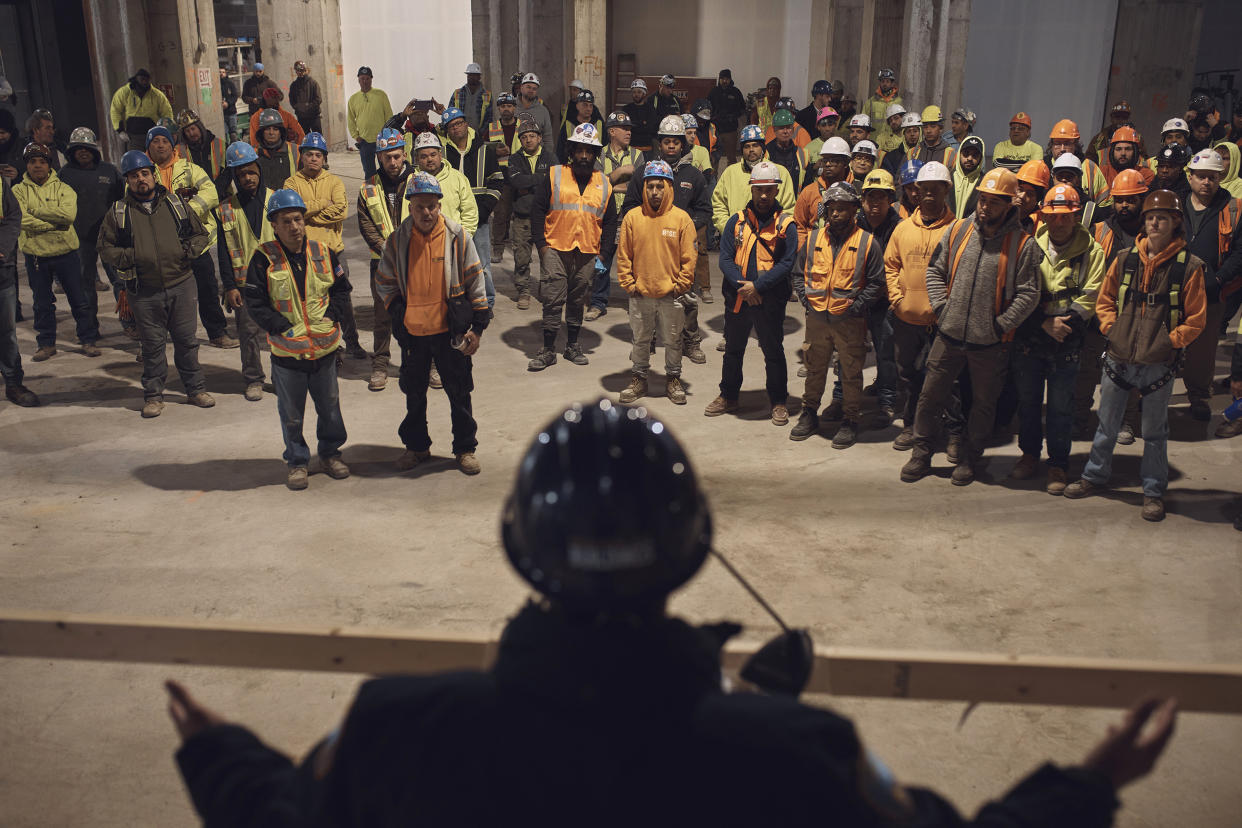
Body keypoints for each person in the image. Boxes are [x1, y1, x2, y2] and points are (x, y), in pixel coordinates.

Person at [165, 396, 1180, 827]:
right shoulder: (800, 752)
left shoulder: (393, 727)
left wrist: (224, 755)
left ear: (523, 550)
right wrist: (1087, 786)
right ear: (692, 550)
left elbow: (291, 822)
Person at [1065, 190, 1207, 521]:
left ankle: (1154, 490)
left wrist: (1169, 343)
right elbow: (1104, 300)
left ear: (1176, 223)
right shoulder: (1126, 259)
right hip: (1118, 357)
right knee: (1107, 425)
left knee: (1155, 433)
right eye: (1151, 217)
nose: (1155, 222)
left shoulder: (1189, 267)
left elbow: (1196, 319)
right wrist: (1112, 330)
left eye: (1163, 217)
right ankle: (1094, 475)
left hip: (1158, 365)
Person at [900, 168, 1041, 486]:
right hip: (948, 336)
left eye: (993, 202)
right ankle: (921, 454)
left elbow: (1030, 294)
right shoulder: (958, 231)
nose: (985, 207)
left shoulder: (1023, 245)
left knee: (982, 405)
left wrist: (1000, 325)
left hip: (989, 344)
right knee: (929, 397)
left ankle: (969, 459)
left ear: (1008, 204)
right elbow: (935, 270)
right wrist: (941, 308)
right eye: (982, 199)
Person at [374, 172, 488, 475]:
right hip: (413, 335)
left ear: (440, 205)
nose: (426, 212)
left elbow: (476, 282)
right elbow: (384, 282)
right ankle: (417, 447)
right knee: (414, 395)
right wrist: (398, 312)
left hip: (450, 335)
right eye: (420, 206)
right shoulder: (397, 240)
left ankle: (465, 449)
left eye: (432, 206)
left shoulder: (457, 236)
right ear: (410, 206)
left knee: (459, 393)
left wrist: (476, 328)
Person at [242, 189, 351, 489]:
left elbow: (342, 290)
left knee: (330, 409)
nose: (294, 227)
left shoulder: (323, 251)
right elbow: (255, 302)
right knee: (291, 414)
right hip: (288, 354)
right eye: (286, 221)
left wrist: (332, 316)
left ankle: (330, 455)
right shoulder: (263, 259)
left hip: (324, 350)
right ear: (274, 225)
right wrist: (280, 327)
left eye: (298, 219)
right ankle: (297, 461)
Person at [98, 150, 213, 418]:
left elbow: (200, 235)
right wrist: (132, 257)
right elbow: (105, 249)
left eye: (144, 173)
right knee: (152, 346)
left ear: (153, 174)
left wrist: (188, 252)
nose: (141, 179)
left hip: (182, 284)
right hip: (144, 290)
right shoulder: (119, 212)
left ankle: (195, 389)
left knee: (187, 342)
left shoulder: (175, 204)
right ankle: (153, 395)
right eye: (134, 175)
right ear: (128, 180)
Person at [1009, 184, 1106, 495]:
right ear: (1044, 216)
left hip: (1069, 338)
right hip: (1033, 338)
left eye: (1065, 216)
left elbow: (1092, 295)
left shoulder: (1092, 251)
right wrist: (1043, 323)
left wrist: (1065, 323)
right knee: (1029, 401)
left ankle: (1058, 464)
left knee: (1062, 406)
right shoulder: (1031, 248)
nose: (1059, 222)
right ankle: (1028, 454)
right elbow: (1020, 293)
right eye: (1053, 216)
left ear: (1076, 216)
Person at [790, 181, 883, 448]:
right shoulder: (814, 239)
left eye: (843, 209)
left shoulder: (867, 243)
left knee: (851, 372)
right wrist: (807, 302)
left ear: (854, 210)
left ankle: (850, 419)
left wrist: (856, 308)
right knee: (814, 368)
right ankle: (809, 413)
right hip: (817, 319)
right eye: (832, 208)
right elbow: (798, 274)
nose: (836, 214)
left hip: (850, 321)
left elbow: (877, 283)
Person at [706, 161, 798, 423]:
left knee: (773, 351)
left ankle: (779, 401)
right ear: (752, 189)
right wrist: (744, 287)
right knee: (734, 349)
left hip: (770, 300)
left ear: (777, 190)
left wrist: (758, 286)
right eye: (759, 190)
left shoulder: (786, 225)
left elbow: (787, 263)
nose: (764, 195)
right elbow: (724, 259)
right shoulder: (736, 222)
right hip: (737, 298)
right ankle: (728, 396)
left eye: (769, 189)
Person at [618, 116, 709, 364]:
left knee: (686, 297)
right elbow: (630, 206)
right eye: (667, 141)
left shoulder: (694, 175)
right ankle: (646, 342)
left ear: (683, 145)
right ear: (660, 144)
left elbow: (704, 210)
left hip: (679, 247)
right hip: (649, 246)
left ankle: (691, 341)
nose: (671, 146)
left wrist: (687, 229)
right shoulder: (645, 173)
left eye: (676, 142)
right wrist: (646, 226)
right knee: (648, 297)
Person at [528, 123, 618, 370]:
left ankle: (572, 346)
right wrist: (542, 246)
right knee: (553, 298)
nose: (584, 156)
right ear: (572, 151)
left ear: (595, 154)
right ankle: (548, 350)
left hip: (588, 251)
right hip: (556, 247)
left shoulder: (604, 183)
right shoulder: (555, 174)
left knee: (578, 299)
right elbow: (537, 210)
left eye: (589, 151)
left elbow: (610, 221)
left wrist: (605, 253)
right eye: (580, 150)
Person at [885, 163, 956, 450]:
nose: (928, 195)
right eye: (923, 189)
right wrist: (896, 299)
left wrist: (947, 308)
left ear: (945, 191)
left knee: (944, 379)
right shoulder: (903, 229)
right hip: (906, 319)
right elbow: (890, 266)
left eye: (935, 190)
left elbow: (959, 272)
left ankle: (949, 431)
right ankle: (911, 425)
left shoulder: (956, 230)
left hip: (941, 322)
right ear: (916, 192)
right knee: (908, 376)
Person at [146, 123, 236, 349]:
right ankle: (163, 340)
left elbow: (211, 192)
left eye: (165, 141)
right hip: (163, 245)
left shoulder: (188, 168)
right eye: (155, 141)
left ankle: (217, 333)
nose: (160, 145)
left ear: (173, 145)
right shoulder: (143, 174)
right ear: (148, 147)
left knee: (207, 289)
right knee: (166, 295)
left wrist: (186, 211)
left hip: (195, 242)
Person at [616, 160, 696, 405]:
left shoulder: (681, 219)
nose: (654, 192)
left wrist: (679, 286)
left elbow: (689, 257)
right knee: (640, 339)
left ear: (669, 187)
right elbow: (624, 255)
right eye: (650, 187)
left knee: (673, 339)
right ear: (644, 187)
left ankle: (673, 378)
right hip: (640, 294)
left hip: (671, 294)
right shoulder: (632, 217)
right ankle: (639, 377)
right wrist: (629, 285)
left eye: (659, 187)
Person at [13, 142, 100, 361]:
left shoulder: (63, 188)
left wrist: (37, 212)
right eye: (33, 162)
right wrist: (52, 223)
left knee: (78, 299)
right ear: (27, 165)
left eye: (42, 162)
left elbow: (68, 216)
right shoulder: (17, 191)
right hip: (35, 256)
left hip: (66, 253)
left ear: (49, 164)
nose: (37, 166)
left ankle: (88, 339)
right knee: (42, 303)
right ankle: (46, 343)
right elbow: (21, 219)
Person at [285, 131, 366, 360]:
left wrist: (308, 216)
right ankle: (328, 345)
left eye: (318, 155)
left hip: (333, 251)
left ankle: (352, 343)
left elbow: (340, 210)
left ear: (324, 158)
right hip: (306, 254)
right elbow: (294, 212)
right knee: (314, 303)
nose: (313, 158)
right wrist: (321, 204)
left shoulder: (334, 181)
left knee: (343, 300)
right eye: (309, 154)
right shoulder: (291, 183)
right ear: (301, 157)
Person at [1081, 168, 1148, 442]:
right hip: (1099, 313)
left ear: (1142, 200)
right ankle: (1077, 415)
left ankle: (1126, 421)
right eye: (1120, 199)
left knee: (1129, 373)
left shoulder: (1152, 233)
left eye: (1131, 200)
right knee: (1086, 371)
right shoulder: (1099, 230)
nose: (1125, 205)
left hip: (1135, 316)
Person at [1180, 151, 1242, 422]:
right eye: (1201, 176)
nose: (1206, 182)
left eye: (1212, 177)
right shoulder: (1176, 203)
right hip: (1173, 289)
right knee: (1164, 344)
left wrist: (1218, 279)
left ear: (1220, 179)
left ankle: (1198, 396)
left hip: (1211, 291)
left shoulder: (1234, 208)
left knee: (1203, 350)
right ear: (1190, 176)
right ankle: (1152, 394)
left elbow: (1240, 253)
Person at [357, 128, 415, 391]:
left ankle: (419, 364)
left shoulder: (419, 181)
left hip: (416, 260)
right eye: (387, 157)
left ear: (404, 154)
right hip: (381, 262)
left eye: (397, 156)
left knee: (418, 315)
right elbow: (366, 224)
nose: (393, 162)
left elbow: (429, 215)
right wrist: (385, 249)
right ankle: (380, 364)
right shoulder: (368, 187)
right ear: (379, 157)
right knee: (382, 317)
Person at [216, 141, 275, 401]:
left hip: (278, 281)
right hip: (244, 286)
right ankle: (253, 379)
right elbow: (223, 252)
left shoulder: (275, 200)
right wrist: (229, 286)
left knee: (280, 332)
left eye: (251, 172)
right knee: (248, 334)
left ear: (259, 170)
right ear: (234, 177)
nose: (247, 178)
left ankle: (284, 377)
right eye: (241, 174)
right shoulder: (226, 209)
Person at [441, 107, 503, 311]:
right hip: (450, 220)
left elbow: (497, 182)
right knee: (451, 263)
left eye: (459, 123)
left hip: (480, 219)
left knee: (482, 264)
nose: (456, 128)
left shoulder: (485, 150)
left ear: (466, 124)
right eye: (451, 126)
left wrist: (484, 210)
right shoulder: (442, 154)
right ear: (447, 131)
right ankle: (458, 302)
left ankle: (487, 302)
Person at [588, 111, 644, 319]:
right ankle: (598, 302)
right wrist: (620, 174)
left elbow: (638, 186)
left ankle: (637, 302)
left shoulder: (638, 156)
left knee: (636, 263)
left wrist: (610, 183)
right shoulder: (599, 154)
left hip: (630, 217)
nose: (629, 132)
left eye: (630, 129)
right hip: (606, 218)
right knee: (603, 259)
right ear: (612, 131)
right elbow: (595, 185)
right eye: (625, 129)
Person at [712, 125, 796, 241]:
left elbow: (789, 208)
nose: (751, 149)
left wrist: (777, 231)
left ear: (763, 148)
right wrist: (730, 229)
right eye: (747, 146)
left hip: (772, 239)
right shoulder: (730, 173)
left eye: (755, 145)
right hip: (737, 239)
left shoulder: (780, 172)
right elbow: (718, 205)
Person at [506, 119, 557, 311]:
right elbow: (516, 182)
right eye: (524, 137)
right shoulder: (514, 159)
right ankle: (524, 290)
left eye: (532, 136)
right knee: (521, 256)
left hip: (546, 216)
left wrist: (530, 185)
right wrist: (540, 180)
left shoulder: (550, 157)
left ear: (540, 138)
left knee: (548, 256)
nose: (528, 140)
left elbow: (554, 182)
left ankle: (547, 289)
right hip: (522, 216)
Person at [2, 172, 39, 405]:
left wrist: (2, 248)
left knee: (5, 333)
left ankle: (13, 382)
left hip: (0, 269)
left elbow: (13, 216)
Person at [484, 93, 522, 264]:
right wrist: (495, 151)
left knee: (521, 214)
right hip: (501, 176)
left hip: (521, 175)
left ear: (514, 108)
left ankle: (520, 249)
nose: (506, 109)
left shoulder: (523, 127)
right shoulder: (491, 128)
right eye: (503, 106)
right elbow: (481, 148)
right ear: (499, 109)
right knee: (500, 214)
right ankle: (498, 249)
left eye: (509, 106)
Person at [1047, 120, 1112, 214]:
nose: (1062, 149)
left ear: (1076, 145)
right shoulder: (1043, 166)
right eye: (1057, 143)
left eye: (1067, 144)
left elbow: (1105, 205)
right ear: (1051, 145)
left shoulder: (1090, 167)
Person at [348, 67, 393, 180]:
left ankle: (385, 193)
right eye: (362, 78)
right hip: (364, 141)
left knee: (386, 170)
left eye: (367, 78)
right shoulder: (353, 99)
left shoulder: (381, 95)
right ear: (358, 80)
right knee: (369, 173)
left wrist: (388, 134)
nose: (365, 81)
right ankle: (371, 194)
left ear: (371, 79)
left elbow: (389, 115)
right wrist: (356, 136)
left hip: (382, 140)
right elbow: (350, 119)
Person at [110, 69, 173, 150]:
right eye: (142, 79)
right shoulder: (124, 93)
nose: (144, 82)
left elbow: (167, 113)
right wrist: (120, 130)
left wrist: (165, 131)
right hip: (132, 137)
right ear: (136, 79)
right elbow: (115, 110)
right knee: (135, 160)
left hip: (153, 136)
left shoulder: (157, 95)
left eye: (146, 80)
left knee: (154, 160)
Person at [252, 109, 299, 190]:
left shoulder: (296, 151)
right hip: (265, 201)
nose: (271, 132)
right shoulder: (254, 154)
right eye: (267, 129)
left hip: (291, 200)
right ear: (262, 132)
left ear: (281, 132)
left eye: (275, 129)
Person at [708, 68, 745, 167]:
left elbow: (742, 108)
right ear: (719, 79)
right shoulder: (713, 92)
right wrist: (714, 117)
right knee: (714, 157)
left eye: (727, 79)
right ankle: (713, 181)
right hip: (716, 130)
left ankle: (732, 179)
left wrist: (733, 116)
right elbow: (707, 108)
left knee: (731, 159)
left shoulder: (736, 92)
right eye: (722, 78)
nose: (724, 81)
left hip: (730, 130)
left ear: (730, 79)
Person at [766, 110, 812, 188]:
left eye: (788, 127)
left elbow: (808, 184)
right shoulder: (765, 152)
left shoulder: (802, 154)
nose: (785, 131)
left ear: (793, 129)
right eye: (781, 128)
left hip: (796, 199)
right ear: (774, 129)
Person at [556, 90, 605, 163]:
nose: (588, 109)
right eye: (585, 105)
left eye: (591, 105)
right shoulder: (568, 124)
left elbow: (605, 147)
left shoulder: (599, 124)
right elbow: (561, 150)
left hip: (596, 168)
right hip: (572, 168)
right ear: (577, 106)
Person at [175, 109, 225, 180]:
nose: (191, 133)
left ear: (199, 127)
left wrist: (218, 188)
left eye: (193, 129)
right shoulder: (180, 151)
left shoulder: (219, 144)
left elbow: (227, 170)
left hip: (221, 189)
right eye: (187, 131)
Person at [950, 135, 985, 219]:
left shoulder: (984, 183)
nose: (969, 158)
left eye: (975, 155)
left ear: (981, 158)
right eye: (966, 153)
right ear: (959, 154)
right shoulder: (947, 178)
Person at [448, 63, 491, 131]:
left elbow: (489, 118)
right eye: (470, 75)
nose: (472, 77)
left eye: (474, 75)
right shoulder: (457, 93)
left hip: (478, 134)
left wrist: (481, 134)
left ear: (479, 77)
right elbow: (450, 113)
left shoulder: (487, 95)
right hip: (460, 133)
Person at [863, 68, 902, 144]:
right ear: (879, 82)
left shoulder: (899, 101)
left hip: (893, 143)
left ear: (892, 83)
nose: (885, 84)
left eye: (887, 81)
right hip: (874, 142)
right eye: (882, 81)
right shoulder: (871, 102)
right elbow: (863, 123)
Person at [515, 73, 555, 145]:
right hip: (515, 154)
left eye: (534, 89)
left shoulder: (543, 111)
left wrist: (548, 155)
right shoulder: (511, 107)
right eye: (528, 87)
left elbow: (548, 138)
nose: (531, 90)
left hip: (537, 155)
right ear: (521, 88)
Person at [880, 111, 922, 176]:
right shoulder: (891, 157)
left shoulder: (927, 154)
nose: (912, 134)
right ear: (903, 134)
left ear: (920, 133)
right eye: (908, 131)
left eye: (915, 131)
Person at [621, 79, 658, 152]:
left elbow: (651, 129)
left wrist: (634, 125)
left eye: (639, 92)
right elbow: (625, 128)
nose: (636, 95)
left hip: (647, 149)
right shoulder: (626, 109)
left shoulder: (650, 109)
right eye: (634, 92)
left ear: (644, 93)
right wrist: (642, 123)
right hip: (630, 148)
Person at [289, 61, 323, 135]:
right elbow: (292, 100)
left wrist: (307, 107)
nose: (300, 72)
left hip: (314, 116)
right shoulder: (294, 85)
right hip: (302, 117)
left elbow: (318, 99)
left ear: (305, 70)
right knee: (305, 138)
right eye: (298, 70)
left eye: (302, 70)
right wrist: (299, 108)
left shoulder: (313, 83)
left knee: (317, 138)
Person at [219, 67, 240, 143]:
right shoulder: (216, 84)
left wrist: (228, 103)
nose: (221, 74)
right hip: (222, 115)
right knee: (223, 135)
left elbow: (235, 96)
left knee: (233, 134)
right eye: (219, 72)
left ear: (226, 73)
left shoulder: (230, 83)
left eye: (223, 72)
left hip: (231, 113)